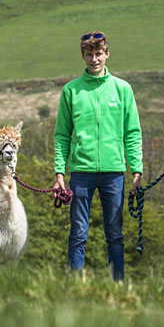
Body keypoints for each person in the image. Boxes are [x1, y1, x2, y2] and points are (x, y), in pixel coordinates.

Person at [51, 31, 142, 280]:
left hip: (115, 172)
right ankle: (75, 287)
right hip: (81, 172)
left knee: (115, 235)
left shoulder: (123, 89)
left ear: (107, 53)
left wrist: (136, 172)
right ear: (83, 56)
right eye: (89, 54)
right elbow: (62, 136)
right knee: (78, 233)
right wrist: (59, 172)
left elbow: (132, 133)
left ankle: (118, 286)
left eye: (98, 54)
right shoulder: (71, 91)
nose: (94, 59)